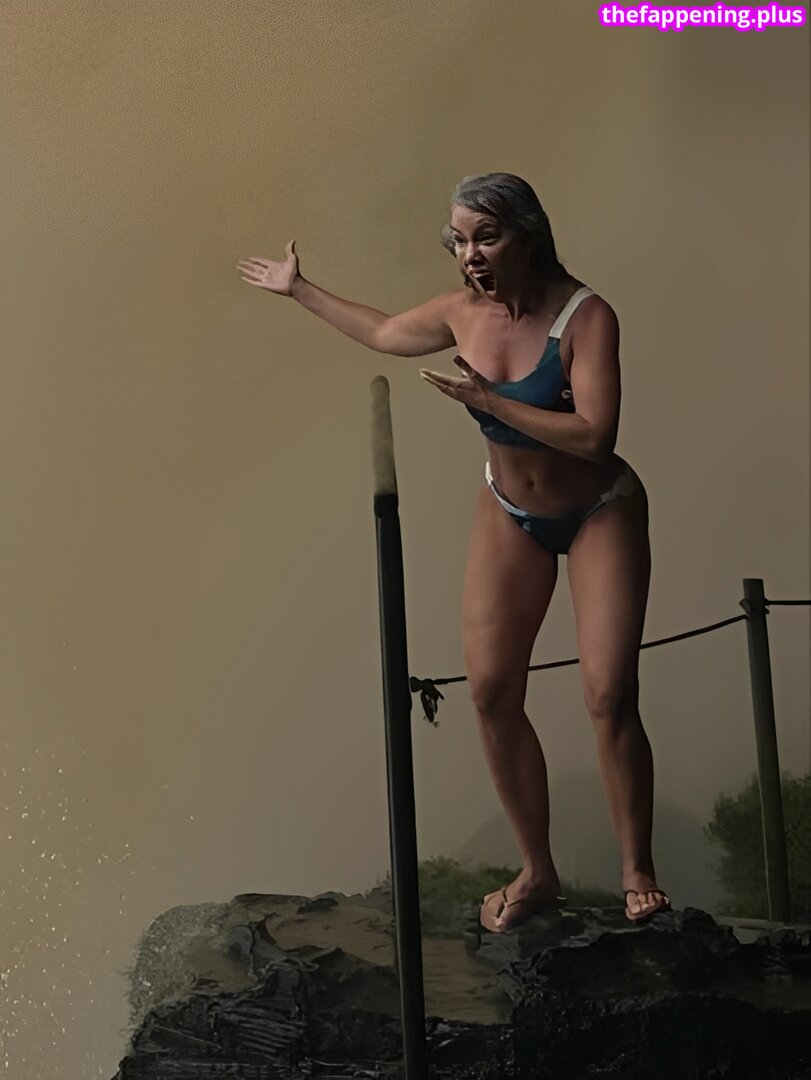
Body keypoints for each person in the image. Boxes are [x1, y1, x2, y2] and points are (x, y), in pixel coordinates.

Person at [236, 172, 670, 933]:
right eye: (460, 241)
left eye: (486, 237)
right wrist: (299, 289)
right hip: (510, 510)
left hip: (599, 509)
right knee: (491, 692)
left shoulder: (586, 316)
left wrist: (493, 403)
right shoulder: (461, 313)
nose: (470, 254)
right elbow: (383, 332)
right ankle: (537, 871)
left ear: (528, 235)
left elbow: (595, 437)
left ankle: (637, 870)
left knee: (608, 694)